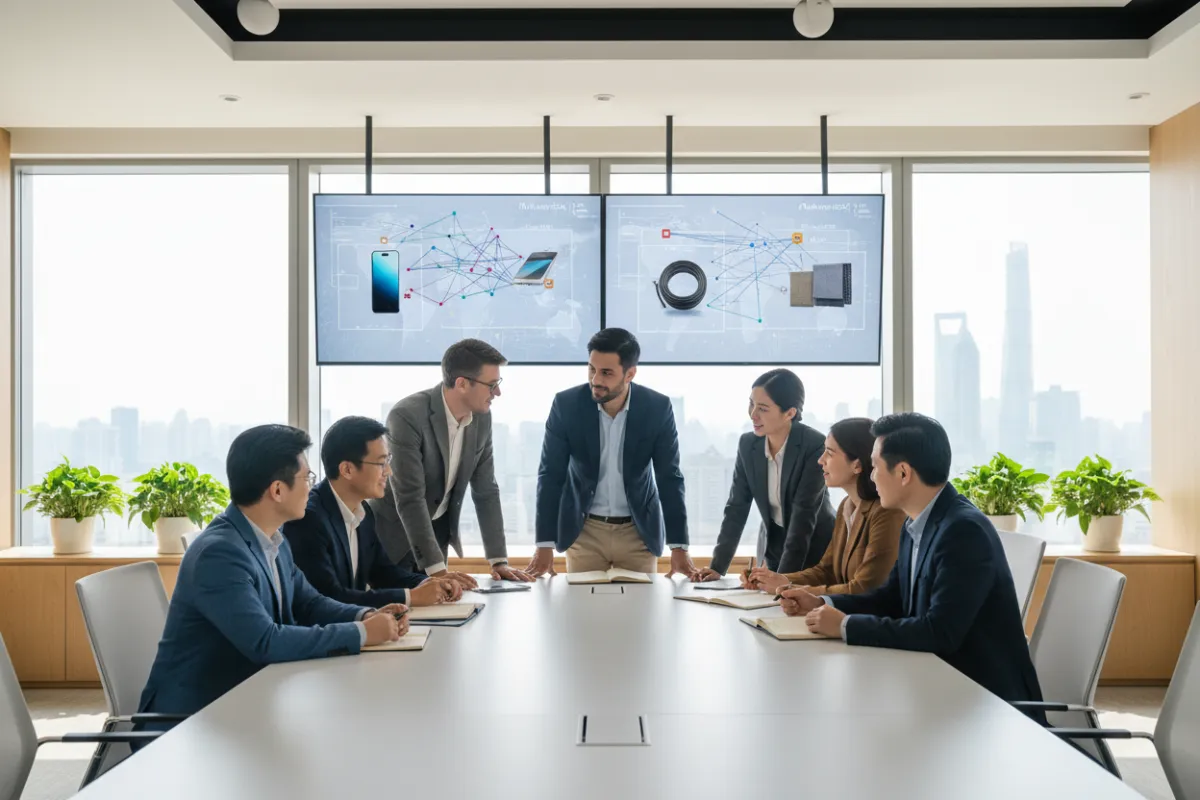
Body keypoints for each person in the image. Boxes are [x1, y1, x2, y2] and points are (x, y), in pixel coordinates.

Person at [138, 424, 406, 719]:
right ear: (277, 490)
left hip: (253, 700)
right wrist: (362, 633)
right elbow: (266, 642)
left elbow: (310, 602)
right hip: (196, 721)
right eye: (307, 478)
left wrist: (364, 616)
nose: (311, 487)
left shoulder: (273, 539)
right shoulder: (219, 554)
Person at [783, 412, 1043, 707]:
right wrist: (822, 604)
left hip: (985, 704)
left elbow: (939, 632)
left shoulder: (962, 531)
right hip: (936, 686)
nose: (870, 476)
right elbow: (892, 598)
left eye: (876, 467)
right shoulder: (916, 521)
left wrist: (845, 625)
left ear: (903, 473)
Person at [528, 328, 698, 578]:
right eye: (591, 369)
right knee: (581, 615)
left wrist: (679, 547)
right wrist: (544, 544)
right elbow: (551, 475)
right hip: (583, 533)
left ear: (630, 374)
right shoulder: (566, 405)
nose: (596, 380)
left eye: (606, 373)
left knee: (639, 616)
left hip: (638, 535)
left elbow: (669, 478)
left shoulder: (657, 408)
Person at [371, 338, 532, 587]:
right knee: (397, 617)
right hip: (393, 538)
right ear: (462, 384)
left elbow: (486, 489)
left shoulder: (481, 420)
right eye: (491, 385)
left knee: (439, 615)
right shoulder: (407, 416)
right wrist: (437, 570)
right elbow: (410, 497)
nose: (497, 392)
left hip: (436, 536)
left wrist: (498, 560)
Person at [283, 416, 463, 609]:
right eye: (381, 464)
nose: (389, 472)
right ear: (347, 469)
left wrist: (426, 583)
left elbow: (382, 572)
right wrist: (410, 597)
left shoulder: (364, 511)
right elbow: (328, 597)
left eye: (388, 461)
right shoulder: (308, 519)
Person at [695, 369, 835, 581]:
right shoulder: (748, 444)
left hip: (814, 546)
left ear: (790, 413)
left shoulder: (814, 445)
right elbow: (736, 507)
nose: (753, 414)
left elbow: (803, 517)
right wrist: (718, 566)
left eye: (763, 408)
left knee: (792, 607)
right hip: (774, 543)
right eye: (751, 404)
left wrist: (781, 582)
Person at [743, 417, 905, 596]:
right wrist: (778, 580)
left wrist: (789, 589)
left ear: (857, 465)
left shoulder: (887, 514)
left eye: (829, 452)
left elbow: (864, 588)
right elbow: (825, 571)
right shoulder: (847, 506)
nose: (821, 460)